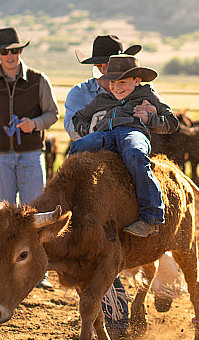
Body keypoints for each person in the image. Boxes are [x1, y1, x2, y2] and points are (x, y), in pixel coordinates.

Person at [64, 34, 142, 334]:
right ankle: (113, 310)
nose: (106, 69)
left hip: (125, 167)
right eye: (101, 65)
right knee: (95, 238)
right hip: (93, 173)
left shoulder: (137, 89)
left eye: (111, 64)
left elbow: (150, 121)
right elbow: (73, 128)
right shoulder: (80, 93)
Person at [0, 27, 59, 288]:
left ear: (21, 51)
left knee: (35, 215)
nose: (10, 55)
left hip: (31, 153)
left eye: (15, 50)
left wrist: (34, 123)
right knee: (4, 219)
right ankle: (4, 273)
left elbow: (53, 114)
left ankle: (40, 274)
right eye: (4, 51)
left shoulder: (38, 80)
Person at [69, 53, 179, 237]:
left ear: (137, 81)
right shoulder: (103, 99)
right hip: (105, 135)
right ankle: (70, 203)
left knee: (135, 152)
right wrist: (89, 129)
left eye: (122, 82)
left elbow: (171, 122)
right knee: (79, 146)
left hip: (133, 132)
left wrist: (149, 119)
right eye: (112, 82)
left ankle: (151, 217)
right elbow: (78, 117)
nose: (116, 87)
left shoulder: (147, 94)